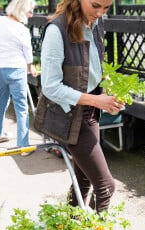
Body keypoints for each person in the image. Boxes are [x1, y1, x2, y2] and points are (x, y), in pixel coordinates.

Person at [40, 0, 124, 212]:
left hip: (91, 110)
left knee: (83, 180)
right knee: (105, 186)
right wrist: (97, 101)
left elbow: (92, 70)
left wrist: (107, 98)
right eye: (96, 5)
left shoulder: (95, 23)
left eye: (106, 7)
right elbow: (50, 87)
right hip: (70, 116)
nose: (100, 12)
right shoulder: (57, 30)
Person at [0, 0, 37, 153]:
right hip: (17, 70)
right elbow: (28, 52)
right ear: (21, 11)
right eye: (30, 11)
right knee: (21, 108)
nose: (31, 15)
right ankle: (24, 145)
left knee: (1, 102)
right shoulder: (22, 29)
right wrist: (31, 67)